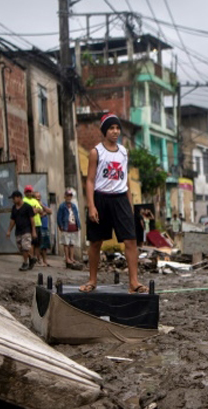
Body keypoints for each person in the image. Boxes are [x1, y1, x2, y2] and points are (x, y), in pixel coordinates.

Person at [80, 113, 146, 294]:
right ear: (104, 131)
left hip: (120, 199)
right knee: (95, 242)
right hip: (101, 199)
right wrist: (91, 206)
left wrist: (130, 207)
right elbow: (90, 180)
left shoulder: (124, 152)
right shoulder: (96, 152)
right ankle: (92, 280)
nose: (115, 131)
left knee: (131, 240)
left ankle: (134, 282)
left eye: (117, 128)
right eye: (111, 128)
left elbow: (127, 182)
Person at [5, 190, 36, 271]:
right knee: (21, 248)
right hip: (18, 231)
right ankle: (32, 258)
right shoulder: (14, 208)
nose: (13, 200)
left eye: (14, 198)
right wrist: (9, 231)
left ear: (19, 197)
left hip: (27, 230)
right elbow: (12, 220)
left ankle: (25, 263)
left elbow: (32, 220)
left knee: (25, 247)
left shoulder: (27, 207)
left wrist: (33, 231)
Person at [57, 189, 81, 266]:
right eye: (67, 196)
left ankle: (71, 258)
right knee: (66, 244)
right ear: (65, 196)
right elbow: (59, 217)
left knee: (72, 244)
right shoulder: (62, 206)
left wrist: (78, 225)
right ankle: (67, 258)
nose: (69, 197)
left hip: (73, 226)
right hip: (66, 227)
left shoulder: (74, 206)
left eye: (70, 196)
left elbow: (76, 216)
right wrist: (60, 225)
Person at [22, 185, 43, 269]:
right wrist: (35, 210)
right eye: (27, 191)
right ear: (25, 193)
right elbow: (31, 212)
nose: (29, 193)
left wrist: (37, 210)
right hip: (29, 224)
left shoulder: (34, 200)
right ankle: (30, 258)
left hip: (38, 223)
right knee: (30, 243)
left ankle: (35, 258)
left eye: (30, 191)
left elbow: (41, 211)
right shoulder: (24, 201)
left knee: (37, 243)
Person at [34, 191, 53, 267]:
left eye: (39, 196)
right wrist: (44, 213)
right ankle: (39, 260)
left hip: (45, 226)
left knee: (45, 245)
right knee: (38, 244)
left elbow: (50, 211)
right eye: (36, 196)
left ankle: (45, 260)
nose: (38, 197)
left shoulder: (43, 204)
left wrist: (43, 207)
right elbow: (40, 214)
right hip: (38, 226)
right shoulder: (34, 204)